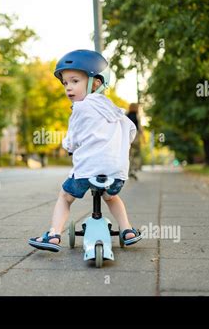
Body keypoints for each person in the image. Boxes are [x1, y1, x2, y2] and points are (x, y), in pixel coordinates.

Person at [28, 49, 142, 252]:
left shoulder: (80, 108)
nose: (68, 88)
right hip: (116, 173)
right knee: (111, 196)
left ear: (96, 82)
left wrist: (68, 147)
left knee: (65, 196)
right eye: (65, 83)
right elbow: (131, 131)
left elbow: (72, 140)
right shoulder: (116, 111)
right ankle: (127, 230)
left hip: (86, 172)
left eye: (74, 81)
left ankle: (54, 235)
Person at [126, 103, 142, 180]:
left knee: (128, 155)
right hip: (135, 138)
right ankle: (133, 169)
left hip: (126, 137)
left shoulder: (126, 114)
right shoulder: (137, 116)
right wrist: (143, 137)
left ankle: (129, 170)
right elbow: (139, 127)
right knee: (136, 154)